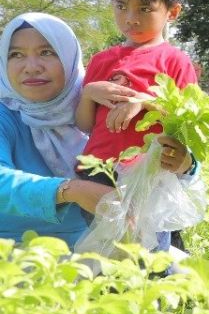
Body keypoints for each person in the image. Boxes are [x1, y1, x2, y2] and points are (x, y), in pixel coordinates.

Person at [74, 0, 199, 250]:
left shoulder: (175, 61)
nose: (131, 18)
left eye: (145, 8)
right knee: (103, 254)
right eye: (121, 6)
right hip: (98, 172)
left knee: (149, 254)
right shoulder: (101, 61)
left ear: (172, 12)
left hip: (149, 174)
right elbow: (84, 124)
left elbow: (187, 120)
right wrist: (89, 93)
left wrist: (143, 102)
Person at [1, 13, 126, 246]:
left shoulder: (95, 104)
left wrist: (184, 163)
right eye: (16, 54)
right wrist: (71, 190)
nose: (31, 67)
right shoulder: (5, 113)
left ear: (69, 58)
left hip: (97, 245)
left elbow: (149, 151)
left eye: (46, 52)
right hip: (15, 252)